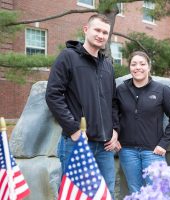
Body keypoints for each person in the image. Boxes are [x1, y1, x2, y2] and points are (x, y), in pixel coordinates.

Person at [45, 14, 119, 198]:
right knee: (75, 195)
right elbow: (53, 95)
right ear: (86, 29)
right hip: (77, 142)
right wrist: (74, 130)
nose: (101, 35)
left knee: (106, 193)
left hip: (105, 146)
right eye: (97, 30)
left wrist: (115, 130)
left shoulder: (108, 65)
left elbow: (113, 102)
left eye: (105, 32)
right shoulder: (68, 57)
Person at [116, 51, 170, 194]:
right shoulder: (121, 90)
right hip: (127, 151)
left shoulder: (162, 90)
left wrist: (163, 144)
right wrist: (114, 136)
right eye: (134, 64)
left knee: (156, 192)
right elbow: (113, 115)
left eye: (142, 64)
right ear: (130, 67)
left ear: (149, 67)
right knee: (135, 192)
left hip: (153, 151)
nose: (138, 67)